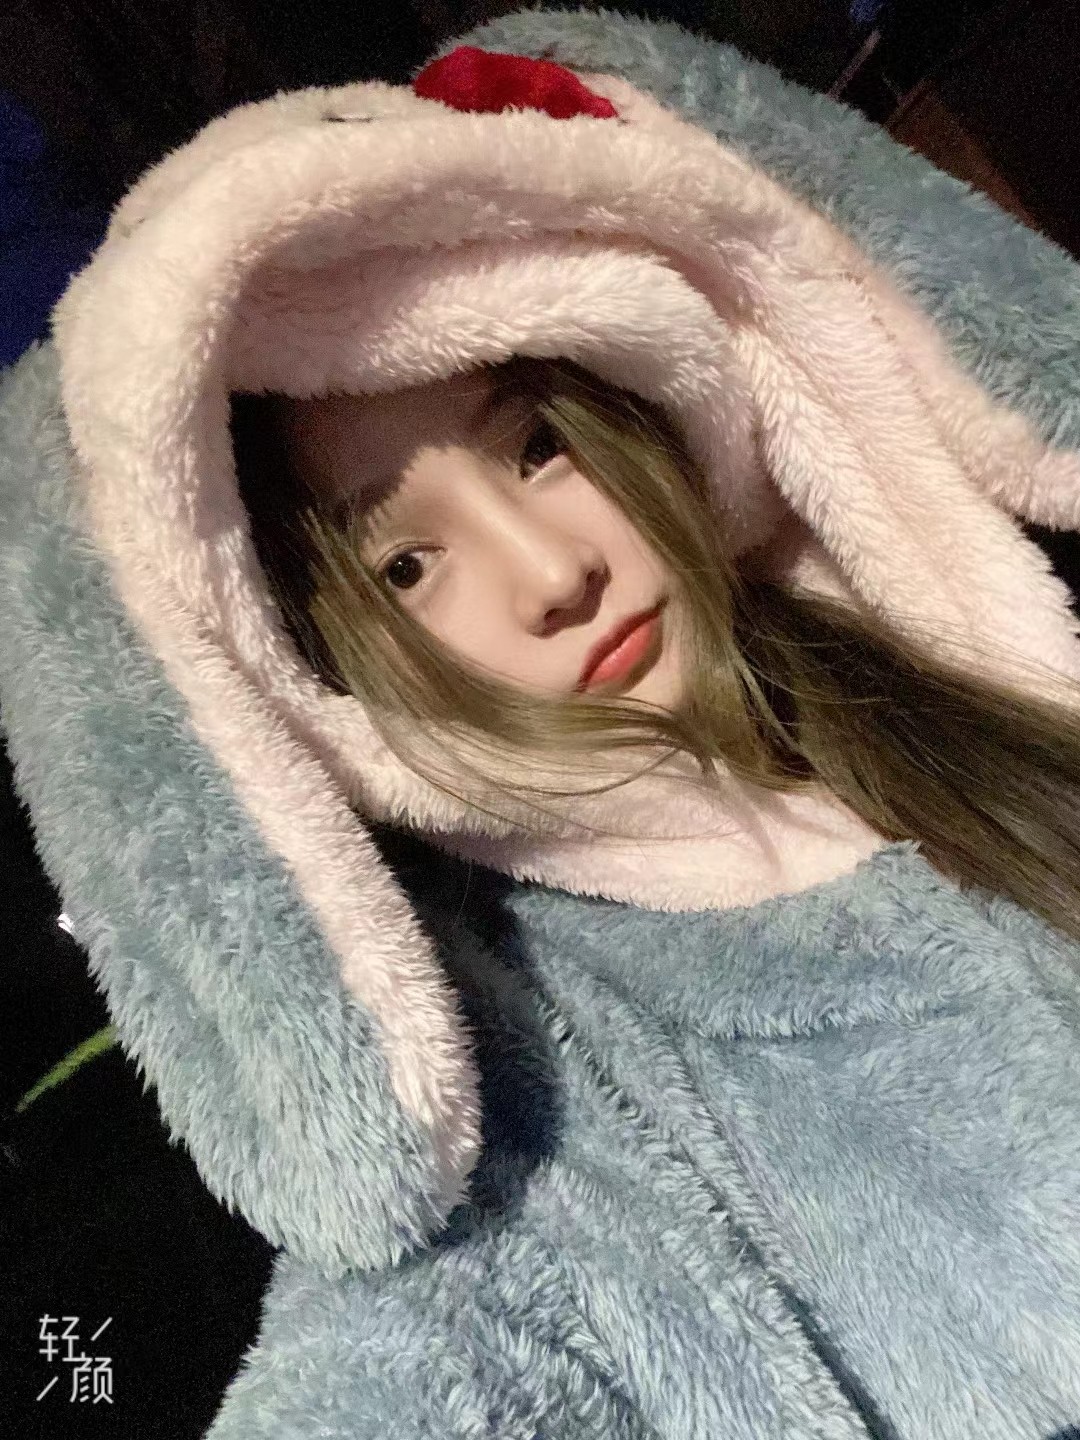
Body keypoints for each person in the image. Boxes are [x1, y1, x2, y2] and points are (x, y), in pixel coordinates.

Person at [5, 14, 1080, 1438]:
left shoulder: (979, 663)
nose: (555, 572)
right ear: (298, 671)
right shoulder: (536, 1107)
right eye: (404, 565)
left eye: (537, 444)